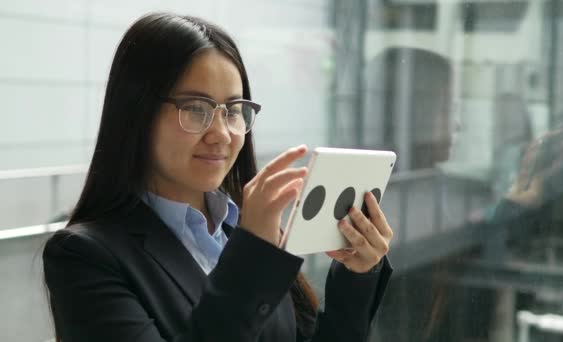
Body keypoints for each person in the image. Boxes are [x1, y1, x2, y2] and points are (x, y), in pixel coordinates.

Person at [42, 12, 393, 342]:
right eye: (197, 109)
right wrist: (253, 252)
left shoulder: (241, 231)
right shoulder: (84, 257)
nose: (222, 134)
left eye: (234, 111)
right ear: (138, 112)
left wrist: (356, 275)